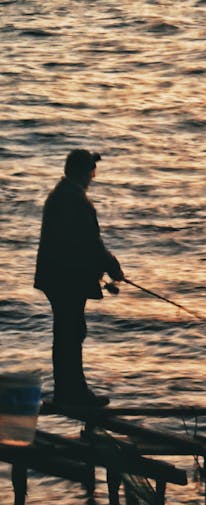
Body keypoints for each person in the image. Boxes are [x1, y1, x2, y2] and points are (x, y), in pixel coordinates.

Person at [34, 149, 124, 407]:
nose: (93, 176)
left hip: (57, 277)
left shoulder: (61, 195)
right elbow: (91, 243)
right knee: (71, 333)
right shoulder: (75, 199)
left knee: (67, 332)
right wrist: (113, 266)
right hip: (66, 279)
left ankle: (67, 391)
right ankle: (74, 394)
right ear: (81, 172)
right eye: (91, 171)